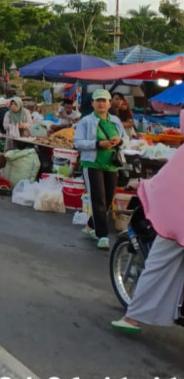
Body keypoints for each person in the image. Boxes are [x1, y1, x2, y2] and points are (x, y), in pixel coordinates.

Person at [112, 145, 184, 334]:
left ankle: (132, 318)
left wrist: (143, 184)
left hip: (179, 222)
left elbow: (164, 183)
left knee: (158, 262)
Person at [73, 89, 127, 250]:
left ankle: (90, 225)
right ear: (92, 103)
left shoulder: (116, 121)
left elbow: (126, 140)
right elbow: (78, 142)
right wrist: (98, 144)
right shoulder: (86, 121)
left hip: (111, 165)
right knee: (98, 199)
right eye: (98, 101)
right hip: (92, 165)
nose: (101, 103)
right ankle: (102, 235)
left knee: (108, 200)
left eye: (105, 100)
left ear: (110, 103)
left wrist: (119, 141)